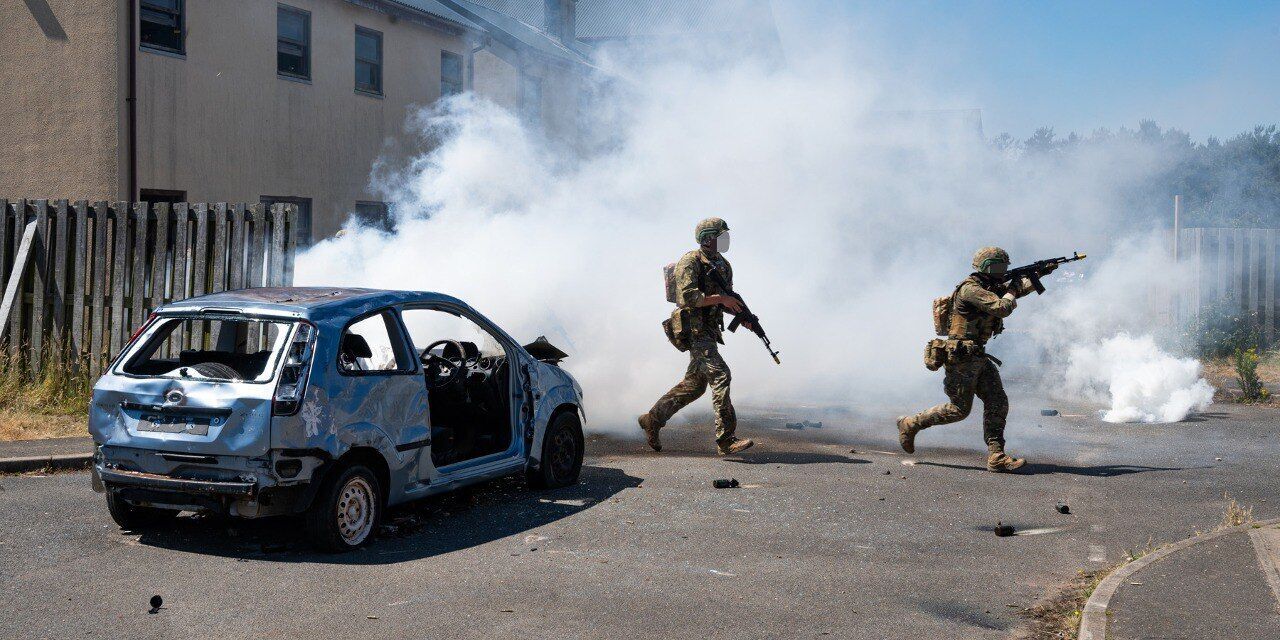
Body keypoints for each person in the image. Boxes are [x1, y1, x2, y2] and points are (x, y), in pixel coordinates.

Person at [895, 246, 1056, 472]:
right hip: (961, 357)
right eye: (999, 267)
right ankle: (911, 423)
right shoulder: (970, 289)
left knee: (997, 401)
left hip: (977, 355)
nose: (1003, 271)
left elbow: (1013, 293)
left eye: (1004, 268)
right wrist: (1014, 287)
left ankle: (996, 456)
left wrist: (1037, 275)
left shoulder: (987, 288)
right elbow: (1002, 307)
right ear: (987, 268)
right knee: (958, 410)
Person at [638, 217, 756, 456]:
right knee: (721, 374)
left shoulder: (723, 264)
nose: (726, 240)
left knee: (694, 386)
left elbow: (725, 297)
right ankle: (726, 439)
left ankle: (652, 419)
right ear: (707, 239)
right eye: (721, 236)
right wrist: (723, 300)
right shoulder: (690, 261)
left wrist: (742, 316)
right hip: (694, 330)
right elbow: (687, 297)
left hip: (709, 330)